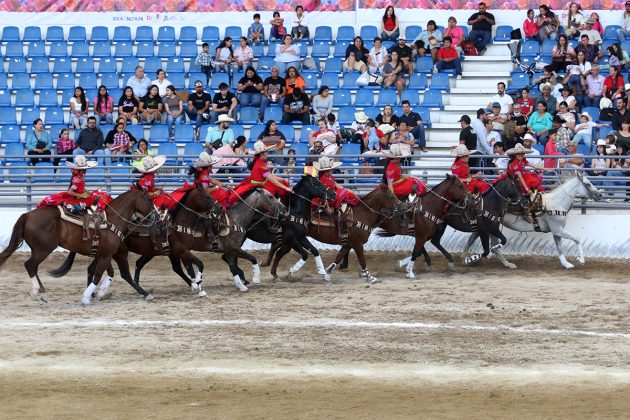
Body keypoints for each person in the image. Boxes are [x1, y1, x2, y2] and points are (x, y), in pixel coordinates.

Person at [39, 155, 112, 234]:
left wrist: (90, 193)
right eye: (85, 169)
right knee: (100, 197)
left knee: (96, 195)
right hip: (79, 197)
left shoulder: (79, 177)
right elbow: (70, 192)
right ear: (82, 170)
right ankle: (82, 207)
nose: (86, 171)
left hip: (81, 195)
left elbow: (82, 188)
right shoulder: (77, 179)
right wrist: (82, 195)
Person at [228, 141, 292, 206]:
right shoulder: (261, 165)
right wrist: (285, 188)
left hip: (258, 182)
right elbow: (271, 178)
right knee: (279, 187)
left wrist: (282, 179)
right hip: (258, 185)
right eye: (266, 151)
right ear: (262, 153)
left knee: (282, 183)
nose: (267, 153)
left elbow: (270, 176)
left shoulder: (259, 161)